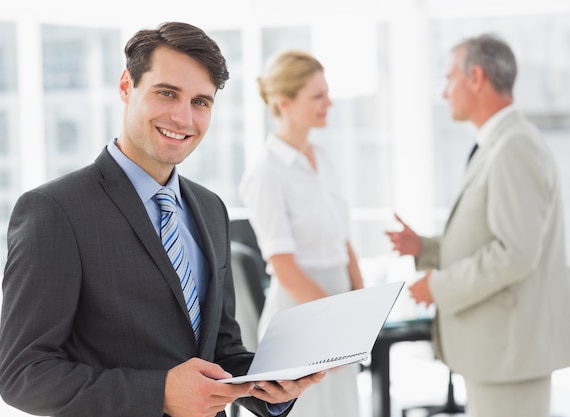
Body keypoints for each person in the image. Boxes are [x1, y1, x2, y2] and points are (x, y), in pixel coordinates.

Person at [0, 22, 324, 417]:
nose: (183, 118)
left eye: (201, 102)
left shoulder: (210, 209)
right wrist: (159, 393)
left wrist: (270, 382)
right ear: (125, 86)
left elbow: (221, 348)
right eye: (167, 93)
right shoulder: (55, 211)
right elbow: (23, 375)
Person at [386, 34, 570, 417]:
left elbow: (515, 255)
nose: (444, 91)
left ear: (477, 78)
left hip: (510, 353)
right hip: (502, 353)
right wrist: (426, 248)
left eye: (449, 78)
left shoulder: (514, 146)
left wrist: (438, 285)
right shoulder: (502, 143)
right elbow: (495, 235)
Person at [239, 50, 364, 417]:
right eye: (318, 95)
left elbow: (344, 242)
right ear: (284, 102)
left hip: (337, 310)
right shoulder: (266, 173)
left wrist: (360, 311)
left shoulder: (323, 159)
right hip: (302, 317)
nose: (329, 102)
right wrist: (337, 323)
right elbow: (284, 267)